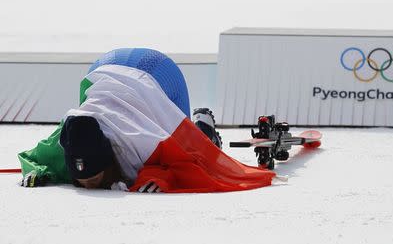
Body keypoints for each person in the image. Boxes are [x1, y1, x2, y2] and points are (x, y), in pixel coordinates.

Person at [18, 48, 275, 193]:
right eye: (82, 181)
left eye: (95, 180)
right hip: (102, 70)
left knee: (193, 147)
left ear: (109, 161)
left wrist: (160, 176)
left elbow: (181, 164)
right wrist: (38, 172)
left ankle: (203, 125)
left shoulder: (141, 140)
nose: (88, 186)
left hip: (158, 73)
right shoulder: (66, 139)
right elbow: (33, 158)